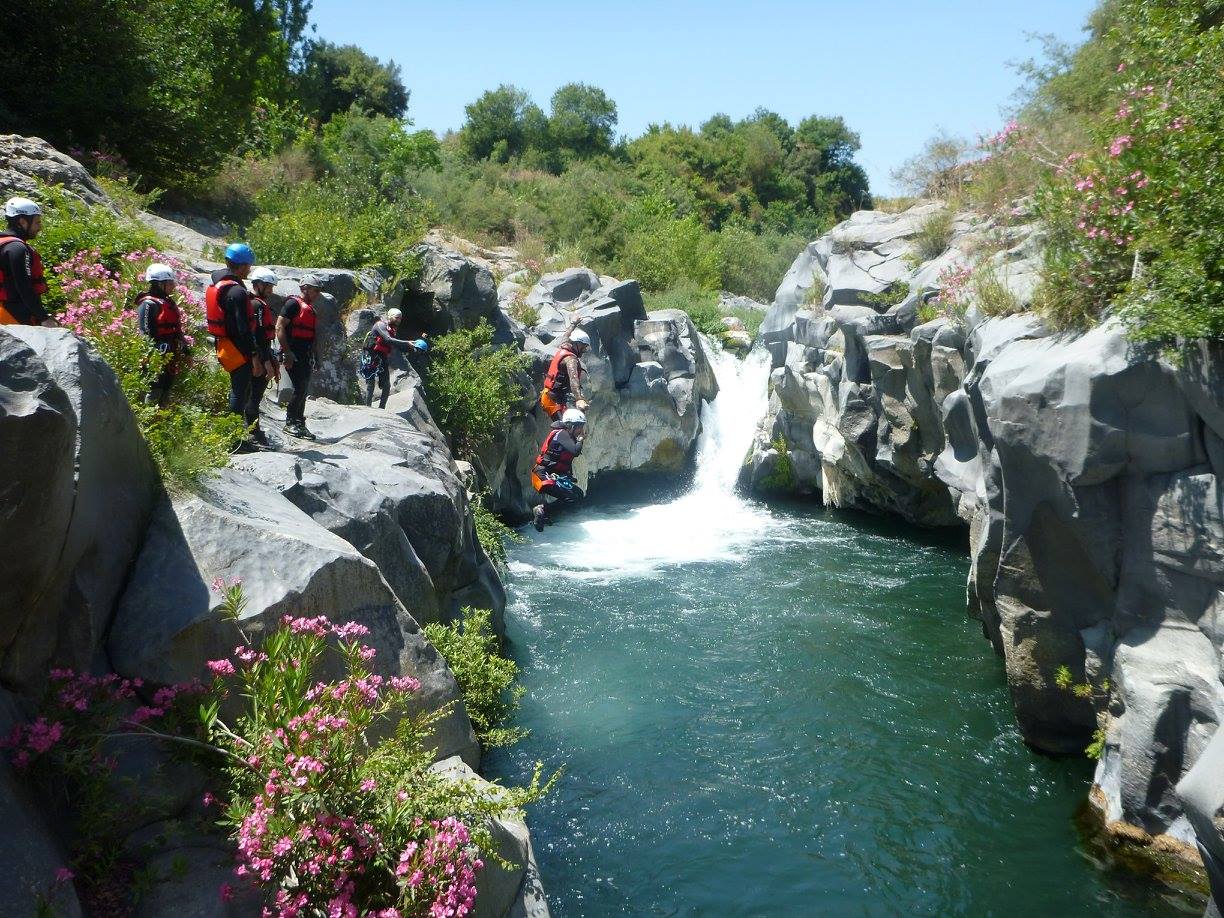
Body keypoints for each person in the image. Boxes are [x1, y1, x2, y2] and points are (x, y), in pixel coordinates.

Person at [205, 242, 263, 448]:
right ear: (240, 266)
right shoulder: (237, 292)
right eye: (248, 265)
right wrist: (254, 354)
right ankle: (234, 440)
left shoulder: (220, 285)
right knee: (240, 392)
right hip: (238, 347)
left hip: (225, 345)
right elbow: (243, 329)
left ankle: (233, 437)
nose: (250, 269)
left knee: (239, 390)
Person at [276, 274, 324, 440]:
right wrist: (287, 352)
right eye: (315, 290)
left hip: (305, 354)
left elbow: (314, 337)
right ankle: (291, 422)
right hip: (293, 352)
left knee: (303, 387)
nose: (317, 294)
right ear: (305, 289)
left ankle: (299, 422)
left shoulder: (311, 309)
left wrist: (317, 357)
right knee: (299, 387)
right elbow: (279, 327)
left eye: (318, 291)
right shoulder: (292, 304)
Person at [0, 196, 57, 327]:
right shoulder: (17, 248)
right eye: (37, 222)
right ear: (23, 222)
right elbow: (24, 287)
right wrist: (44, 317)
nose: (40, 227)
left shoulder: (4, 244)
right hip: (12, 316)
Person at [136, 263, 187, 407]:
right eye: (170, 283)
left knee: (166, 389)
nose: (173, 286)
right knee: (154, 389)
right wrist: (150, 355)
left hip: (170, 354)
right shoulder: (147, 304)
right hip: (155, 355)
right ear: (160, 284)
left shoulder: (168, 302)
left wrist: (186, 351)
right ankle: (149, 422)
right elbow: (145, 332)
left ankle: (162, 421)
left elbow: (177, 330)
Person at [360, 307, 428, 409]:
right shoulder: (380, 325)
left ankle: (381, 409)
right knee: (371, 383)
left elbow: (396, 344)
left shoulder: (392, 330)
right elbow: (388, 339)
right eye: (397, 317)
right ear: (390, 317)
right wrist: (407, 342)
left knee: (386, 385)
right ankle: (367, 408)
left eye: (400, 318)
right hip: (370, 356)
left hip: (381, 357)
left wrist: (413, 348)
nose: (399, 320)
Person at [531, 407, 587, 532]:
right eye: (579, 427)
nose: (580, 431)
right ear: (571, 426)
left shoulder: (567, 435)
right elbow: (575, 451)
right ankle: (541, 510)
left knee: (578, 495)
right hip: (542, 474)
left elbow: (566, 458)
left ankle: (544, 513)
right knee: (570, 497)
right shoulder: (561, 434)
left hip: (553, 474)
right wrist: (580, 440)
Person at [246, 267, 282, 445]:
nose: (271, 290)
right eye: (269, 287)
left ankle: (253, 431)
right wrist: (266, 362)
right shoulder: (257, 305)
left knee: (253, 395)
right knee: (254, 396)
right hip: (259, 356)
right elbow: (259, 335)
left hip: (262, 352)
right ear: (259, 285)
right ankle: (253, 433)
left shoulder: (256, 303)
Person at [539, 321, 590, 420]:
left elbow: (566, 335)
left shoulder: (565, 345)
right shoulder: (571, 360)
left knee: (571, 428)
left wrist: (574, 323)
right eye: (583, 346)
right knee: (567, 428)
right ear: (576, 344)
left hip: (549, 395)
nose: (584, 350)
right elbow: (573, 380)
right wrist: (579, 399)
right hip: (553, 400)